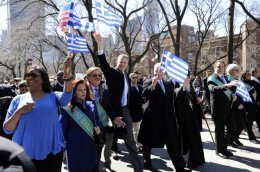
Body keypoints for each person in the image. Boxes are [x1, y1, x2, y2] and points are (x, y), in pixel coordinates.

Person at [3, 56, 73, 172]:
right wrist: (19, 111)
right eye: (27, 75)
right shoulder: (17, 100)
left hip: (51, 154)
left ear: (42, 79)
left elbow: (67, 96)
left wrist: (67, 73)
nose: (29, 77)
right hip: (23, 155)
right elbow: (7, 129)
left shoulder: (53, 97)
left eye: (34, 75)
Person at [93, 32, 143, 172]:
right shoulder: (112, 73)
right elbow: (103, 64)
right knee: (107, 142)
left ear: (127, 64)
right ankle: (104, 164)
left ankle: (138, 169)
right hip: (111, 112)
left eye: (125, 62)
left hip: (124, 111)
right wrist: (100, 47)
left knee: (131, 143)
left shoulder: (126, 75)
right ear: (117, 62)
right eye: (121, 61)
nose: (122, 64)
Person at [138, 63, 189, 172]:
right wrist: (153, 85)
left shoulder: (168, 83)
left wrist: (183, 87)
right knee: (148, 142)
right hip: (152, 119)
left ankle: (180, 167)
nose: (158, 72)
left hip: (168, 119)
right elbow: (144, 96)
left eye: (161, 70)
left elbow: (175, 96)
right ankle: (147, 161)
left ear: (164, 71)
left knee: (173, 143)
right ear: (154, 71)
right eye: (157, 70)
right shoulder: (148, 81)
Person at [86, 67, 125, 172]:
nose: (98, 77)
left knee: (97, 155)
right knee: (86, 157)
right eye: (95, 75)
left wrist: (114, 117)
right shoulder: (83, 89)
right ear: (88, 77)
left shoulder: (105, 91)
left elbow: (108, 108)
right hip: (85, 126)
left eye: (100, 75)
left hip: (100, 128)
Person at [61, 79, 103, 172]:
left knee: (92, 167)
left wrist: (99, 128)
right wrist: (62, 147)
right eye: (80, 90)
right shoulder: (67, 107)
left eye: (85, 89)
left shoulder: (91, 103)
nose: (83, 92)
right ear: (74, 92)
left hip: (90, 143)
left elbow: (97, 119)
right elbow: (63, 128)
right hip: (75, 145)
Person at [207, 60, 238, 158]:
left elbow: (232, 88)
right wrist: (225, 85)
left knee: (233, 128)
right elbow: (212, 89)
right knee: (219, 130)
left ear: (224, 68)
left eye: (222, 66)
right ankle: (219, 150)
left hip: (228, 107)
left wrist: (233, 94)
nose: (220, 68)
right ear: (215, 67)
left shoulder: (226, 77)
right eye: (218, 66)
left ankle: (223, 147)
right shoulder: (211, 78)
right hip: (218, 108)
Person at [175, 76, 205, 169]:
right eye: (185, 78)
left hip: (192, 117)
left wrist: (198, 99)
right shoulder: (176, 85)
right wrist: (183, 87)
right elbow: (176, 95)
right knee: (184, 141)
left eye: (188, 78)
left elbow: (192, 97)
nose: (188, 79)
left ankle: (196, 160)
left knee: (194, 139)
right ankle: (185, 160)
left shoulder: (190, 85)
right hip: (182, 118)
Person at [226, 64, 245, 147]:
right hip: (234, 105)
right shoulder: (228, 79)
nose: (237, 71)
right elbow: (231, 93)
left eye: (237, 70)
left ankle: (235, 138)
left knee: (242, 123)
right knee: (235, 124)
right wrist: (238, 104)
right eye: (235, 70)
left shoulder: (236, 79)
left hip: (240, 104)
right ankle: (230, 140)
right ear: (230, 70)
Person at [241, 71, 258, 143]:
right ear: (244, 76)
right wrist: (253, 88)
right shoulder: (241, 83)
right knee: (248, 122)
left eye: (250, 75)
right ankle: (251, 137)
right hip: (246, 105)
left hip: (253, 104)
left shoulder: (252, 82)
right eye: (248, 75)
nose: (249, 76)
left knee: (249, 121)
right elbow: (245, 93)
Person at [129, 72, 144, 152]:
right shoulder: (128, 88)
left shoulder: (140, 87)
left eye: (136, 77)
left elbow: (143, 98)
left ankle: (139, 143)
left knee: (139, 129)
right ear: (130, 78)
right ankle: (137, 145)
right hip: (133, 112)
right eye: (133, 78)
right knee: (135, 130)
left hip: (140, 112)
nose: (135, 79)